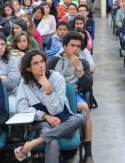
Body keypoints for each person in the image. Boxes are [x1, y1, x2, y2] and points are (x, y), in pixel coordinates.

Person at [14, 50, 85, 163]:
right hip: (44, 123)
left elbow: (56, 110)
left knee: (80, 118)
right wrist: (45, 116)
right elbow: (22, 109)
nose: (41, 65)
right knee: (52, 141)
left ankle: (33, 143)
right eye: (35, 63)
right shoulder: (24, 83)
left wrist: (48, 91)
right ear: (28, 68)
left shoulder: (57, 78)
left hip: (64, 120)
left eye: (42, 61)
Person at [47, 32, 94, 163]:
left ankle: (88, 153)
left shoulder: (83, 62)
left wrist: (79, 68)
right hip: (55, 94)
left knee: (85, 109)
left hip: (74, 94)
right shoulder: (54, 60)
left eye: (78, 46)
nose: (75, 49)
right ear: (65, 46)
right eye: (72, 45)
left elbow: (88, 85)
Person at [0, 32, 20, 114]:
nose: (0, 47)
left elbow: (12, 82)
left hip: (10, 94)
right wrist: (3, 77)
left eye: (2, 44)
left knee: (13, 109)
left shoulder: (13, 60)